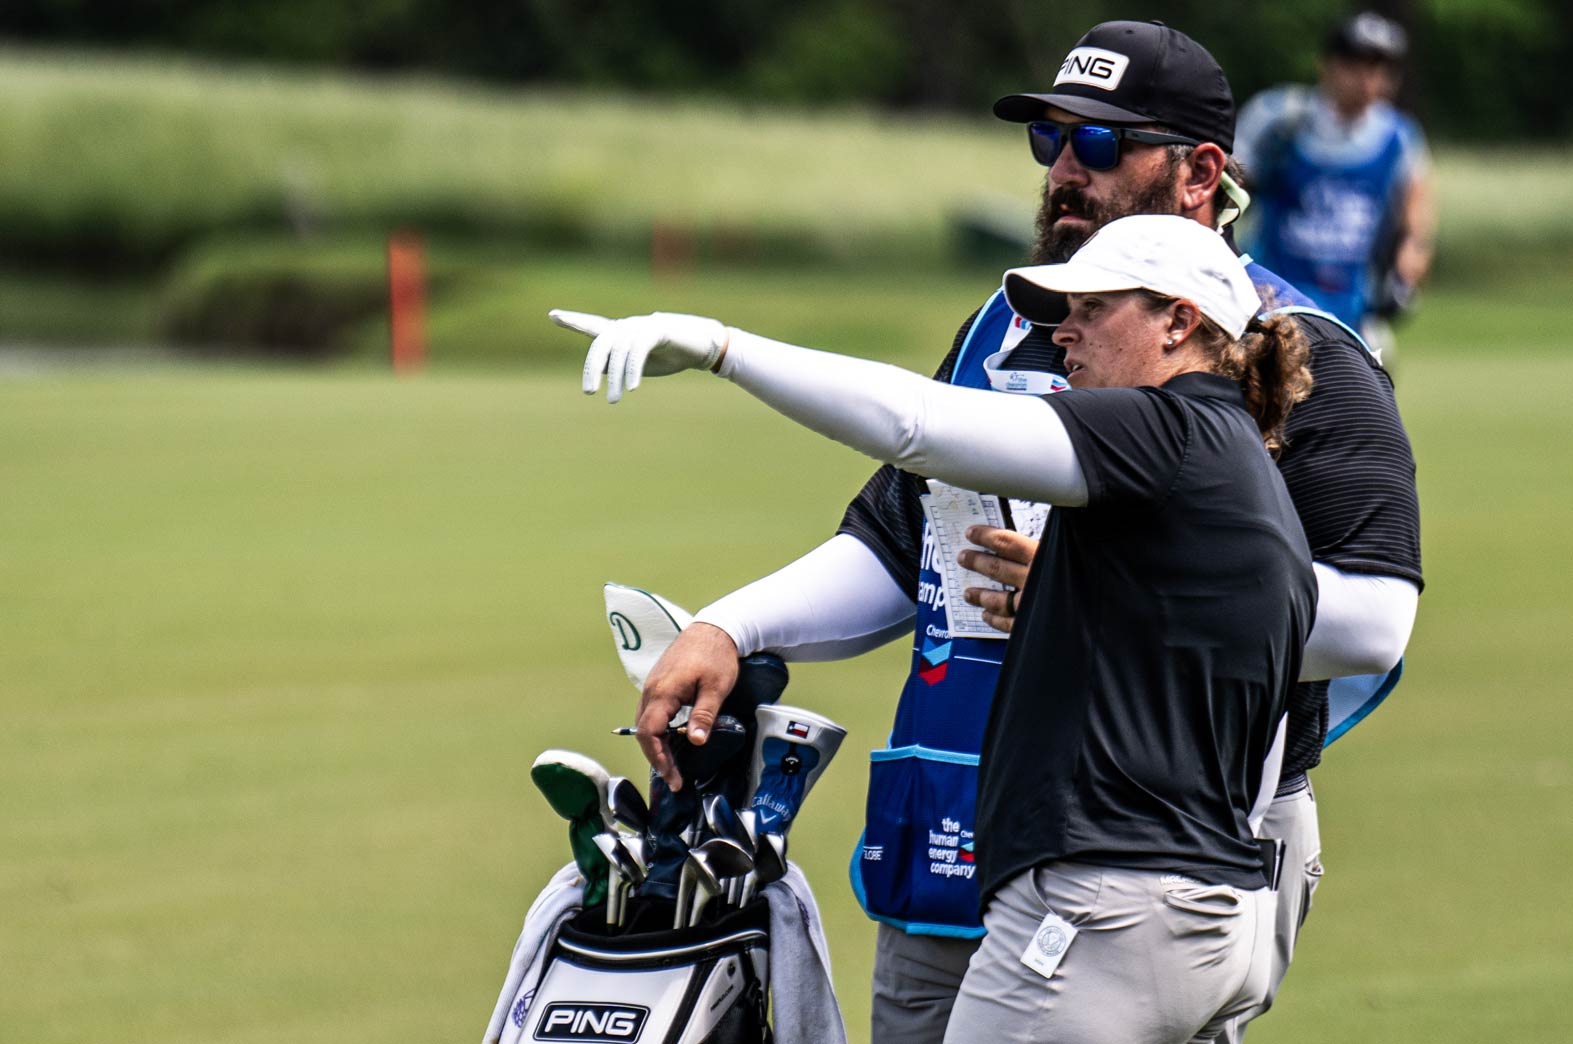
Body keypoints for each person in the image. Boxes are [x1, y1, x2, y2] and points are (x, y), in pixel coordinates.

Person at [622, 19, 1422, 1044]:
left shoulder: (1299, 349)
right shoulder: (1008, 325)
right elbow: (896, 544)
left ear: (1199, 172)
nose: (1063, 173)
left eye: (1100, 145)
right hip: (963, 817)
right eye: (1049, 142)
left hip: (1154, 848)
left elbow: (1372, 624)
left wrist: (1104, 592)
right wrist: (731, 629)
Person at [556, 212, 1320, 1043]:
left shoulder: (1164, 431)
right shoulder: (1235, 464)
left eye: (1094, 310)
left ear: (1180, 322)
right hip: (1204, 912)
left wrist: (721, 348)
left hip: (1107, 912)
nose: (1062, 334)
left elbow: (916, 426)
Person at [1231, 10, 1436, 363]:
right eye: (1356, 66)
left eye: (1380, 70)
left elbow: (1416, 219)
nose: (1369, 81)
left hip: (1351, 308)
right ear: (1326, 66)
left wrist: (1406, 273)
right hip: (1273, 303)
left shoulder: (1398, 137)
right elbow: (1228, 191)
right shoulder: (1282, 121)